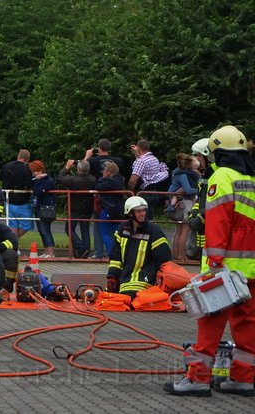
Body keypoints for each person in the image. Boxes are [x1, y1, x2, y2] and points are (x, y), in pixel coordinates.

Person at [166, 125, 255, 397]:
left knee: (209, 322)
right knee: (248, 324)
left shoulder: (222, 177)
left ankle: (197, 378)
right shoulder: (250, 178)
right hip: (251, 269)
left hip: (226, 267)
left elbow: (218, 223)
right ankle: (243, 378)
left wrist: (215, 262)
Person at [106, 195, 170, 297]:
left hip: (145, 278)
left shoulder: (154, 231)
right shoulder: (122, 230)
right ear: (130, 213)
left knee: (128, 297)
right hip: (125, 277)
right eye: (139, 211)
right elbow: (115, 257)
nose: (143, 213)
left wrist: (161, 277)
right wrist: (112, 276)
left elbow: (164, 258)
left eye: (144, 210)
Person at [56, 159, 96, 258]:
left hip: (75, 208)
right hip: (87, 208)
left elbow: (60, 178)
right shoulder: (93, 179)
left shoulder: (74, 180)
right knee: (85, 230)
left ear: (78, 169)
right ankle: (85, 251)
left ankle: (80, 247)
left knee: (69, 229)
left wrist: (67, 167)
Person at [167, 153, 199, 261]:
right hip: (186, 204)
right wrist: (200, 189)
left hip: (180, 203)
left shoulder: (177, 173)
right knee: (185, 230)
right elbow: (188, 190)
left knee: (178, 230)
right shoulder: (184, 176)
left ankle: (175, 254)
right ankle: (181, 255)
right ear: (190, 166)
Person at [127, 138, 170, 214]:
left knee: (140, 219)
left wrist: (130, 193)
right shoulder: (154, 159)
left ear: (139, 148)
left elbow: (132, 180)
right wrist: (137, 153)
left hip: (143, 195)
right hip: (153, 193)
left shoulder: (141, 161)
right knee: (149, 219)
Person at [93, 161, 126, 260]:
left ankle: (112, 254)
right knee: (117, 233)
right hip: (118, 211)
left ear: (108, 172)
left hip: (107, 209)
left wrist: (103, 178)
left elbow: (98, 186)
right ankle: (119, 254)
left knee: (105, 233)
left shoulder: (107, 182)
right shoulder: (120, 180)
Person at [0, 149, 33, 238]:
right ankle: (13, 240)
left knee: (12, 225)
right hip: (22, 202)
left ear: (18, 156)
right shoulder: (26, 169)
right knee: (27, 225)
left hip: (8, 200)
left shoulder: (7, 166)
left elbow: (0, 176)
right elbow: (28, 184)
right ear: (27, 159)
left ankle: (13, 245)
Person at [30, 160, 57, 258]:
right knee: (42, 230)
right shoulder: (39, 180)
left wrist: (37, 180)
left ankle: (50, 252)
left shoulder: (48, 181)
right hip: (39, 207)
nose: (33, 174)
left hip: (45, 208)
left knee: (45, 229)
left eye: (34, 171)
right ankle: (47, 251)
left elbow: (38, 192)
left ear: (40, 171)